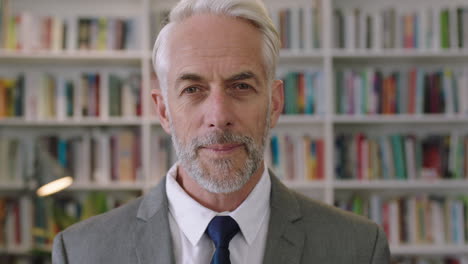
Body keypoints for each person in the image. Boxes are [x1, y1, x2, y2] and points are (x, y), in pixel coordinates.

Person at [52, 0, 391, 263]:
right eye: (193, 89)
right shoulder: (82, 251)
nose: (219, 116)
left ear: (274, 104)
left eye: (241, 86)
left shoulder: (359, 248)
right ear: (163, 110)